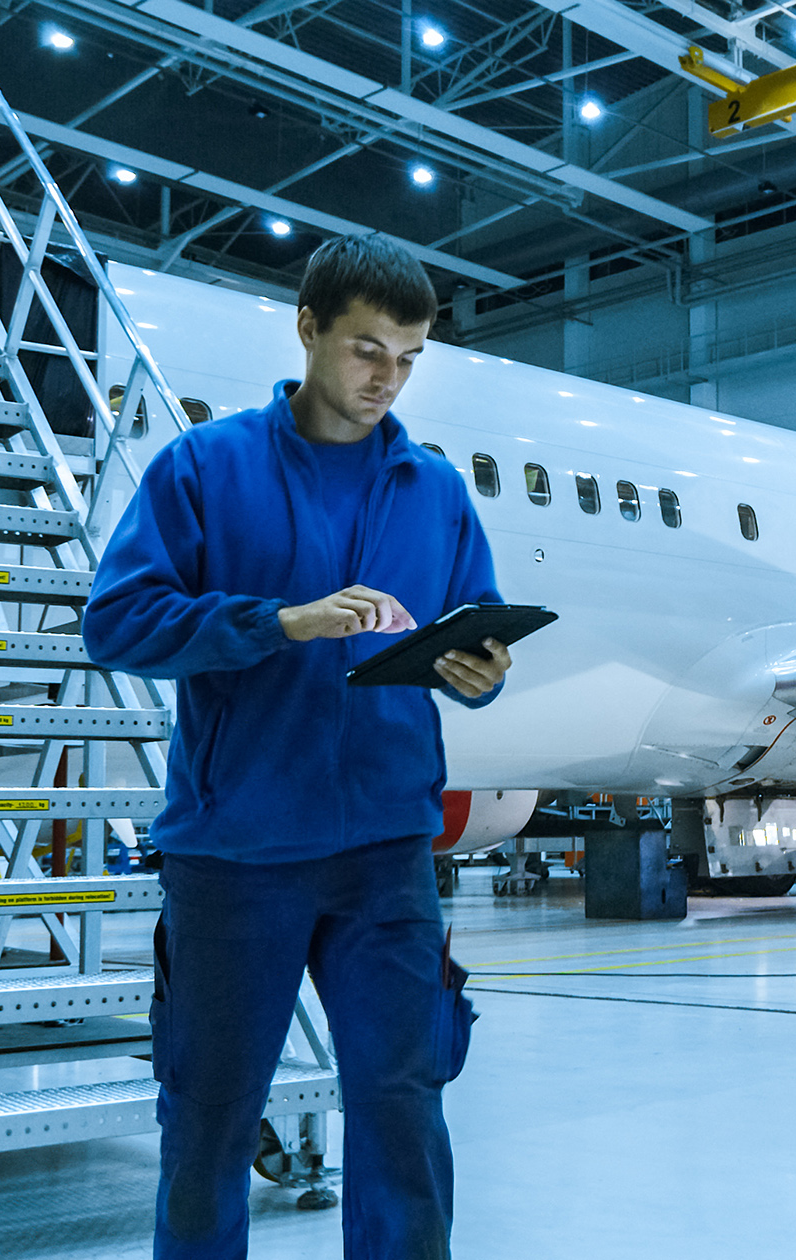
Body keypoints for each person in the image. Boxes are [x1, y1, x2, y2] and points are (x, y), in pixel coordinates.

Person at [82, 233, 510, 1260]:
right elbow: (118, 622)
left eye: (409, 358)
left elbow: (480, 623)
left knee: (404, 1113)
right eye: (368, 349)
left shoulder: (435, 492)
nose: (387, 378)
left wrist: (484, 670)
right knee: (210, 1119)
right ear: (310, 327)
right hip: (239, 855)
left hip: (388, 857)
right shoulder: (203, 467)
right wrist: (278, 623)